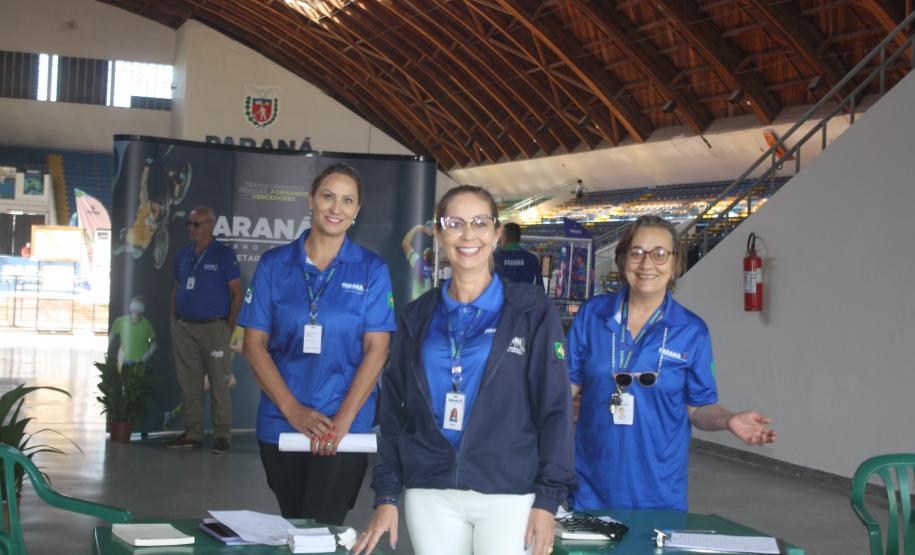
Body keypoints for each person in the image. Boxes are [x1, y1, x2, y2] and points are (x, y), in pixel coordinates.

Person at [353, 185, 575, 555]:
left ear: (496, 234)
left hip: (508, 492)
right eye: (454, 223)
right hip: (431, 492)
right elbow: (393, 411)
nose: (468, 234)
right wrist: (387, 494)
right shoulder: (417, 315)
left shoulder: (531, 310)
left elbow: (555, 407)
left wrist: (549, 499)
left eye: (480, 223)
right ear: (439, 235)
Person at [566, 215, 776, 512]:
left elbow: (699, 407)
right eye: (637, 252)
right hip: (591, 489)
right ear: (623, 259)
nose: (647, 263)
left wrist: (728, 420)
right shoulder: (592, 315)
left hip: (660, 495)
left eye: (660, 253)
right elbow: (565, 387)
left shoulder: (692, 331)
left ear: (675, 263)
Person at [239, 163, 395, 525]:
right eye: (328, 196)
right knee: (295, 524)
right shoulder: (274, 265)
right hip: (282, 420)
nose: (336, 208)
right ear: (310, 200)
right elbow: (253, 344)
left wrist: (342, 420)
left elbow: (378, 349)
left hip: (344, 425)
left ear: (357, 210)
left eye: (347, 200)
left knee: (322, 526)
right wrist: (293, 410)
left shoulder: (371, 269)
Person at [165, 206, 242, 454]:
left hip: (215, 329)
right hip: (184, 329)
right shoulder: (182, 255)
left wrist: (228, 327)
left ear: (211, 225)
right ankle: (193, 434)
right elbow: (176, 289)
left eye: (197, 224)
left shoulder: (224, 254)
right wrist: (173, 320)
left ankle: (222, 435)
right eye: (189, 224)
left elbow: (237, 294)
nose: (191, 229)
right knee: (190, 384)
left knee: (219, 384)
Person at [108, 295, 156, 369]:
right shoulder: (120, 321)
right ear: (130, 307)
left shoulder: (147, 325)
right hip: (123, 361)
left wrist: (143, 359)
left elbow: (154, 345)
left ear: (143, 309)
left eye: (140, 306)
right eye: (135, 305)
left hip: (140, 365)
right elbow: (111, 337)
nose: (137, 309)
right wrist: (108, 354)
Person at [402, 223, 434, 300]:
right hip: (419, 302)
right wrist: (418, 228)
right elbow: (405, 244)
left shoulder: (419, 262)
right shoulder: (418, 262)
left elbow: (405, 244)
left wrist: (418, 228)